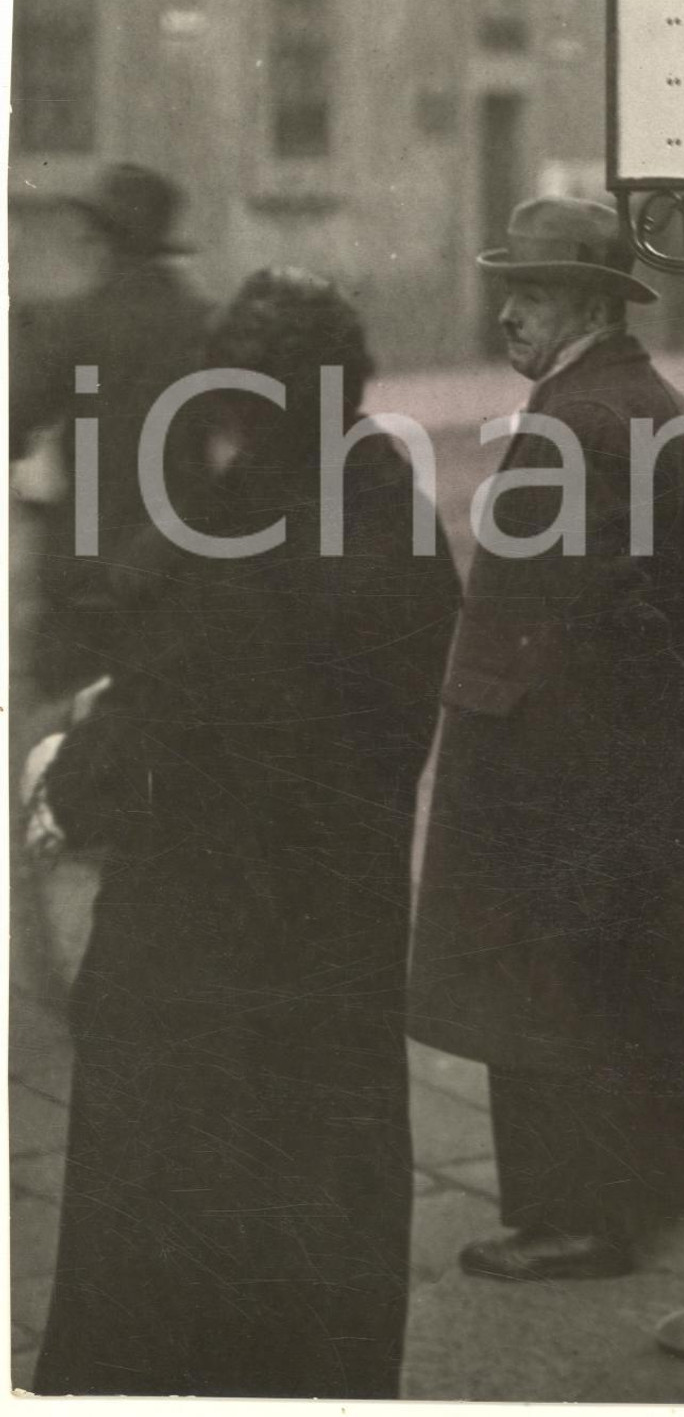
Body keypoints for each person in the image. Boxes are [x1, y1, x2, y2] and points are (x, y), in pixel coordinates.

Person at [25, 268, 461, 1396]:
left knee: (175, 1217)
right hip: (339, 930)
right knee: (324, 1198)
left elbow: (176, 717)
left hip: (203, 947)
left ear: (242, 408)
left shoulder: (257, 541)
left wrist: (65, 780)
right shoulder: (380, 506)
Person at [408, 196, 684, 1282]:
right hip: (630, 759)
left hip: (554, 761)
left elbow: (551, 616)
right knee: (622, 984)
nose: (508, 315)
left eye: (529, 294)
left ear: (587, 302)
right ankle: (649, 1192)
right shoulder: (651, 402)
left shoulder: (568, 424)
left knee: (542, 988)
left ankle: (574, 1221)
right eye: (505, 291)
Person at [10, 163, 210, 700]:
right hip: (180, 578)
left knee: (64, 752)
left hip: (85, 580)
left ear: (105, 240)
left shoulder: (70, 325)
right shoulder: (207, 324)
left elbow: (13, 423)